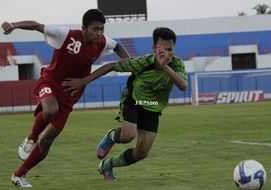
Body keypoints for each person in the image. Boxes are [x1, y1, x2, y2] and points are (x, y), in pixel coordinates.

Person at [1, 9, 130, 187]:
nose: (99, 33)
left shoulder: (102, 42)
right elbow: (37, 26)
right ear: (84, 28)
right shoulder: (65, 35)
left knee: (47, 142)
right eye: (95, 29)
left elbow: (118, 47)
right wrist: (14, 25)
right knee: (50, 110)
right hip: (50, 82)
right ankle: (30, 138)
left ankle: (18, 175)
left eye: (102, 29)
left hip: (70, 96)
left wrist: (129, 63)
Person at [62, 27, 188, 181]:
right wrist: (83, 81)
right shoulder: (142, 62)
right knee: (128, 135)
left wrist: (165, 67)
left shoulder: (177, 64)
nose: (167, 54)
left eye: (170, 49)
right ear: (154, 48)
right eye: (163, 50)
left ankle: (107, 165)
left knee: (142, 152)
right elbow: (111, 66)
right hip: (134, 100)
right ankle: (111, 136)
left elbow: (183, 86)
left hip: (153, 107)